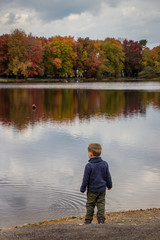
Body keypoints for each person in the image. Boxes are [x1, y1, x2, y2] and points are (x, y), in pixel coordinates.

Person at [80, 143, 112, 224]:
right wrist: (109, 185)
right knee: (101, 204)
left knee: (90, 204)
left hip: (92, 190)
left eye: (88, 153)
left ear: (90, 154)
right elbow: (108, 176)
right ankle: (101, 219)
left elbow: (85, 179)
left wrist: (83, 188)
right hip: (102, 189)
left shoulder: (89, 165)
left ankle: (88, 220)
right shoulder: (105, 163)